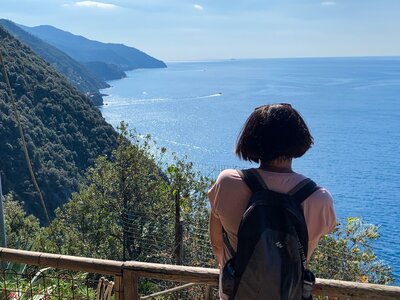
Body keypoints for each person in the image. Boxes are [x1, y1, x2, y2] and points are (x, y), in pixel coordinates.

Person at [208, 103, 336, 299]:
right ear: (299, 139)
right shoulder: (319, 199)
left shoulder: (227, 182)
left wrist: (228, 270)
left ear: (251, 138)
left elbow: (217, 243)